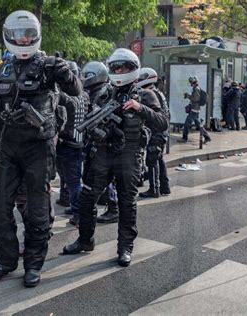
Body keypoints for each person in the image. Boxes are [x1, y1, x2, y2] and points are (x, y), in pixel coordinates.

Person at [0, 10, 82, 287]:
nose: (23, 39)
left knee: (38, 209)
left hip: (38, 146)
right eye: (18, 34)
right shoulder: (1, 68)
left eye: (28, 34)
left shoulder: (49, 65)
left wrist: (65, 73)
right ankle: (6, 260)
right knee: (0, 206)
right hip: (9, 145)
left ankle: (34, 264)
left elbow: (76, 91)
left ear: (36, 35)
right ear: (9, 35)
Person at [62, 48, 169, 267]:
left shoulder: (144, 94)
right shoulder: (104, 93)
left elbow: (162, 123)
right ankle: (85, 240)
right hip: (102, 153)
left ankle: (125, 248)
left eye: (123, 67)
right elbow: (91, 117)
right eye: (115, 67)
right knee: (87, 198)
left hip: (129, 155)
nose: (118, 71)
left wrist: (140, 109)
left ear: (133, 69)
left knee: (127, 203)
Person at [79, 61, 119, 224]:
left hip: (103, 144)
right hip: (94, 140)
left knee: (100, 179)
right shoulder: (94, 91)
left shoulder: (103, 93)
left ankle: (113, 207)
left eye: (87, 75)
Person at [55, 60, 88, 226]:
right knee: (70, 180)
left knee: (74, 182)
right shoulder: (85, 94)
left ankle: (78, 212)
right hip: (76, 143)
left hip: (68, 143)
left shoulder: (65, 96)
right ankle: (75, 207)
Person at [136, 67, 170, 198]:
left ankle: (154, 189)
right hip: (162, 131)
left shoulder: (150, 93)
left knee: (152, 160)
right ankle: (165, 187)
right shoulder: (158, 92)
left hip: (157, 131)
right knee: (159, 159)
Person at [182, 76, 211, 143]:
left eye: (191, 82)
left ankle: (184, 138)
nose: (190, 84)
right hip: (196, 109)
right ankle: (207, 137)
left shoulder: (196, 89)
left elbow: (195, 99)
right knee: (198, 124)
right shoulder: (196, 88)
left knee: (186, 124)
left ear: (193, 82)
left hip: (194, 110)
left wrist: (188, 96)